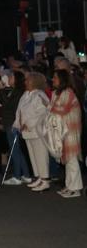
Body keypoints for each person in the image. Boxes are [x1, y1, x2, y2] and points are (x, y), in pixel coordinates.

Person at [44, 70, 83, 198]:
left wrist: (49, 107)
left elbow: (62, 109)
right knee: (66, 158)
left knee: (71, 158)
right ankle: (69, 185)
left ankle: (76, 188)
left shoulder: (68, 92)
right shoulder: (56, 93)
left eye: (55, 77)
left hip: (70, 129)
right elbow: (52, 108)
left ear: (62, 79)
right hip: (62, 129)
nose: (53, 80)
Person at [13, 72, 50, 192]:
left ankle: (45, 179)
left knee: (40, 154)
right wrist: (18, 124)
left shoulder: (40, 94)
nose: (25, 82)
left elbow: (43, 112)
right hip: (26, 131)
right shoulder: (25, 94)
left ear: (34, 81)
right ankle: (39, 177)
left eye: (27, 80)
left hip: (36, 130)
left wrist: (28, 123)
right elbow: (19, 110)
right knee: (33, 155)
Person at [0, 71, 31, 185]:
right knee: (16, 149)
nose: (9, 79)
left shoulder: (18, 92)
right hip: (11, 122)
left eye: (11, 77)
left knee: (14, 150)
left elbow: (7, 104)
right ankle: (26, 175)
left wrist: (0, 90)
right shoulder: (15, 91)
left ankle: (17, 176)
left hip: (12, 123)